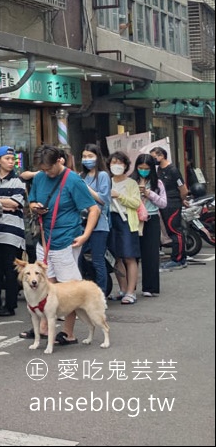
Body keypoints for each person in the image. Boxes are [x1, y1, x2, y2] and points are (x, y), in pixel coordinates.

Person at [22, 145, 99, 345]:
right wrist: (34, 207)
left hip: (67, 239)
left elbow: (93, 209)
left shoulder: (72, 180)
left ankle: (68, 332)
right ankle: (45, 328)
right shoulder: (39, 177)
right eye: (43, 169)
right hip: (44, 239)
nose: (46, 173)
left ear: (59, 161)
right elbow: (32, 201)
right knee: (45, 284)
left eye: (49, 168)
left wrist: (85, 235)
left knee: (68, 288)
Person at [0, 146, 25, 317]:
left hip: (12, 234)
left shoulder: (19, 181)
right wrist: (3, 203)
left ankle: (10, 305)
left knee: (10, 271)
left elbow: (15, 204)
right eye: (7, 158)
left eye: (13, 159)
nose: (11, 162)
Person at [106, 151, 140, 304]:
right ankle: (122, 289)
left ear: (125, 166)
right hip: (110, 220)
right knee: (116, 257)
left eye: (120, 163)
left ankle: (131, 292)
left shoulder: (131, 183)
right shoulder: (106, 180)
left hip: (126, 220)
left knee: (129, 256)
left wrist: (119, 196)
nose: (116, 166)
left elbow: (136, 203)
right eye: (113, 163)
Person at [78, 144, 112, 294]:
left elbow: (104, 199)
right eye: (84, 157)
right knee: (78, 258)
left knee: (98, 260)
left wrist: (85, 188)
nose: (87, 159)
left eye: (90, 156)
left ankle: (102, 293)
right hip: (82, 223)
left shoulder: (103, 175)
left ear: (98, 157)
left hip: (99, 225)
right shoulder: (81, 176)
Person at [150, 147, 188, 270]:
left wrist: (181, 200)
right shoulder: (159, 170)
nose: (153, 160)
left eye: (154, 157)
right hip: (164, 203)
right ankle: (179, 258)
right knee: (171, 231)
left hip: (173, 203)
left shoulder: (173, 170)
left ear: (161, 155)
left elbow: (183, 189)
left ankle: (178, 260)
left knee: (175, 230)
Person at [135, 153, 166, 296]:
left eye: (146, 168)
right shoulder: (131, 181)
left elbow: (164, 203)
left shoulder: (157, 183)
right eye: (140, 168)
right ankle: (130, 288)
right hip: (134, 219)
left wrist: (149, 194)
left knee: (151, 254)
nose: (143, 170)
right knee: (132, 254)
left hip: (151, 219)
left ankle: (150, 287)